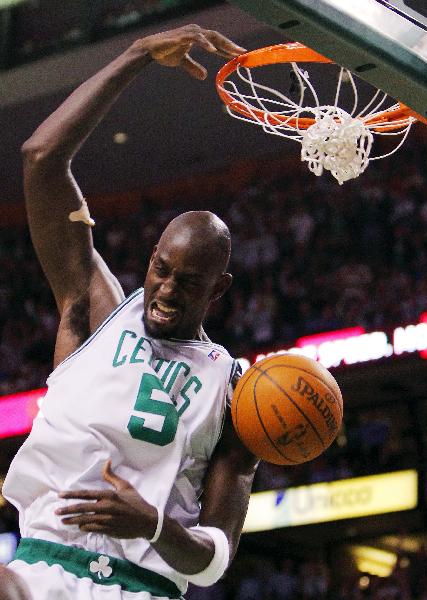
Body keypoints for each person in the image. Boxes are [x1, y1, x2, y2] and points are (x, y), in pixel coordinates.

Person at [1, 25, 259, 600]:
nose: (166, 290)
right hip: (36, 574)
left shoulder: (236, 391)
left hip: (138, 588)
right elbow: (41, 159)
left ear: (218, 291)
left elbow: (215, 558)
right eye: (161, 270)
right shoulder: (95, 312)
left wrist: (153, 525)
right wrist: (137, 53)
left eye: (188, 283)